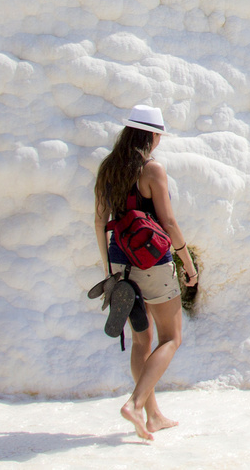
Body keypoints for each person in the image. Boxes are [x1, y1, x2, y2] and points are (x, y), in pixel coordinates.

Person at [93, 105, 198, 441]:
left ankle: (153, 416)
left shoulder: (108, 169)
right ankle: (137, 404)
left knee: (142, 339)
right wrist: (187, 261)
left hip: (120, 261)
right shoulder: (151, 170)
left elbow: (99, 221)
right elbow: (167, 223)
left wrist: (109, 267)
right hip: (152, 262)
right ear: (151, 135)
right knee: (171, 338)